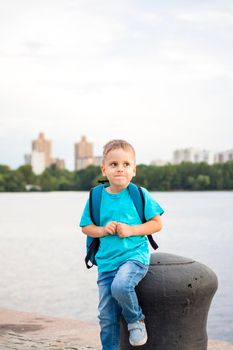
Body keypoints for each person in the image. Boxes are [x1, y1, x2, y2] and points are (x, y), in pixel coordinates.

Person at [80, 140, 164, 350]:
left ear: (134, 170)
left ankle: (136, 319)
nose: (120, 169)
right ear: (104, 169)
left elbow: (157, 224)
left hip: (133, 258)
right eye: (114, 164)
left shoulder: (139, 194)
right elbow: (86, 227)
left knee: (121, 286)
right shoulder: (96, 196)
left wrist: (131, 230)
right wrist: (102, 230)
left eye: (126, 164)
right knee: (106, 318)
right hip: (107, 263)